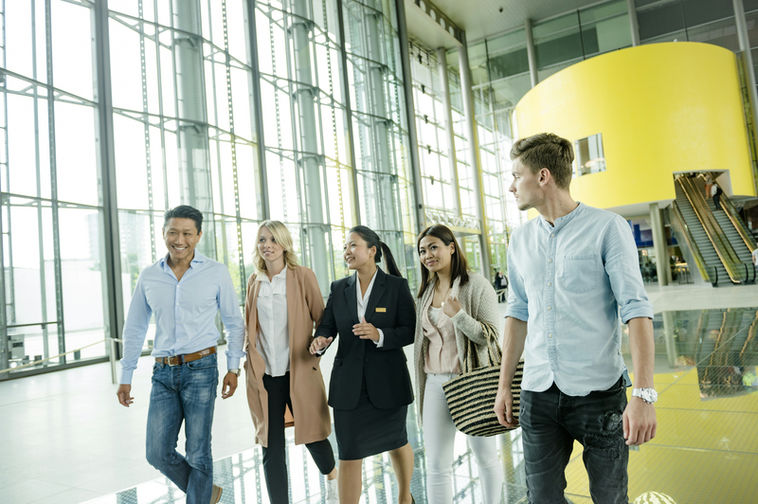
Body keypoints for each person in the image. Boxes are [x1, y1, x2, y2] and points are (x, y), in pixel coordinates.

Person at [493, 133, 657, 504]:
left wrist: (644, 395)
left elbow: (636, 310)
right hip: (537, 394)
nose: (510, 186)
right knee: (543, 498)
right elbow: (518, 313)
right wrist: (505, 386)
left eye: (516, 175)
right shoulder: (519, 241)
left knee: (610, 496)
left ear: (543, 176)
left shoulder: (607, 228)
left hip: (599, 394)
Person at [116, 205, 244, 504]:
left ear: (198, 235)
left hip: (202, 367)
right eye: (173, 232)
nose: (179, 239)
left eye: (187, 233)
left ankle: (199, 498)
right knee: (157, 452)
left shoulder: (216, 272)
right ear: (163, 233)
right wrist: (126, 376)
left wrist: (233, 367)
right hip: (163, 372)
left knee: (199, 451)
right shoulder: (149, 276)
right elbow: (134, 327)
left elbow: (234, 322)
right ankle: (204, 494)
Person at [309, 226, 416, 504]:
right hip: (349, 386)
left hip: (388, 382)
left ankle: (405, 497)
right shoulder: (338, 288)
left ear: (372, 251)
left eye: (353, 245)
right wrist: (321, 339)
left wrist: (379, 335)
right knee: (349, 451)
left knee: (397, 441)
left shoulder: (396, 286)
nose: (347, 251)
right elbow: (328, 324)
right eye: (345, 246)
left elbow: (409, 330)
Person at [243, 220, 338, 504]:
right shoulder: (254, 281)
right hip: (265, 376)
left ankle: (333, 476)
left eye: (273, 239)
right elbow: (250, 326)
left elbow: (323, 320)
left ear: (284, 244)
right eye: (262, 240)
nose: (267, 245)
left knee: (312, 434)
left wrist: (320, 342)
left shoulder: (302, 276)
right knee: (270, 447)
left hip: (297, 370)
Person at [414, 224, 504, 504]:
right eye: (422, 251)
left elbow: (490, 335)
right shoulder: (426, 291)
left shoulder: (476, 285)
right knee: (437, 463)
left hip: (471, 381)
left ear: (451, 247)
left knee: (486, 456)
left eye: (433, 247)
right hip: (435, 383)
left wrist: (459, 315)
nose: (428, 255)